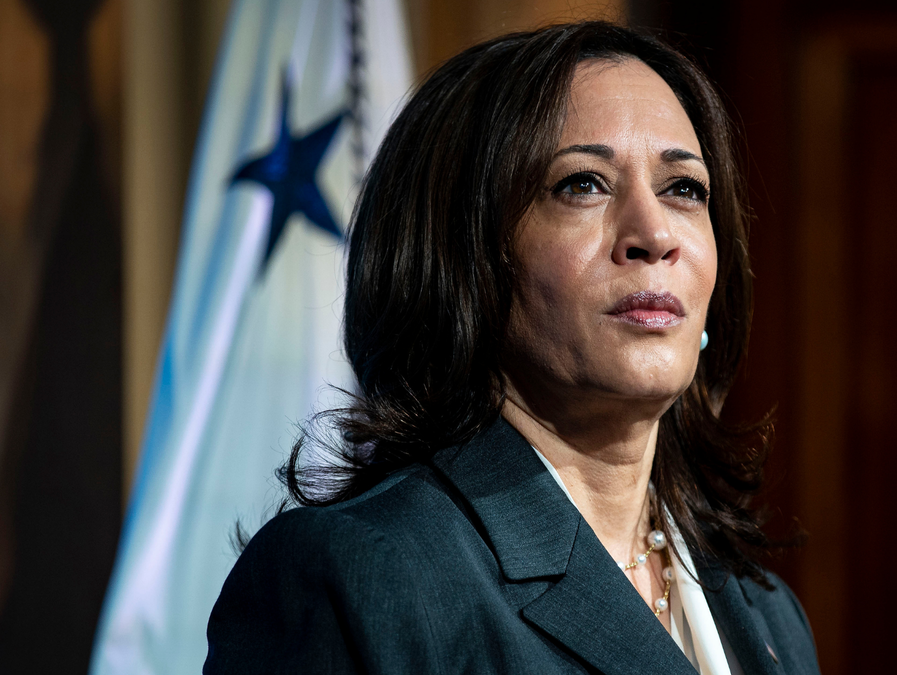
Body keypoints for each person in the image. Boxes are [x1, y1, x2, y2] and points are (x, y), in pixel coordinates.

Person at [204, 22, 819, 675]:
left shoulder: (768, 615)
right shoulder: (360, 578)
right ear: (463, 257)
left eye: (683, 189)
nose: (654, 233)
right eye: (582, 183)